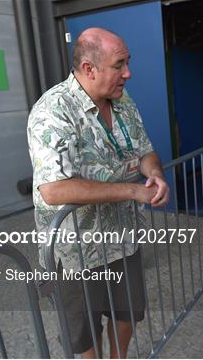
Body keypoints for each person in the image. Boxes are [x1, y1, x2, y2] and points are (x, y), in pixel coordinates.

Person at [27, 27, 169, 358]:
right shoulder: (52, 111)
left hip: (123, 238)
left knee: (128, 313)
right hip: (76, 251)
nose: (128, 73)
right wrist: (134, 190)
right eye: (119, 65)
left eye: (127, 63)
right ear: (89, 69)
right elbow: (54, 188)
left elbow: (146, 149)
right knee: (84, 332)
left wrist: (154, 174)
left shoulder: (123, 101)